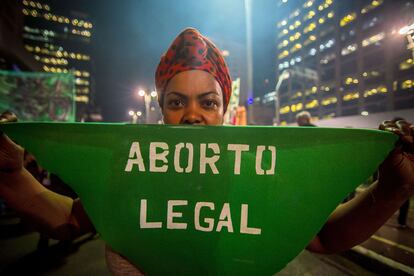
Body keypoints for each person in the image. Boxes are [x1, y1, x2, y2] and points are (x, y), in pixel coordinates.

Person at [0, 28, 414, 275]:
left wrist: (395, 185)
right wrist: (10, 174)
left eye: (208, 102)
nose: (193, 115)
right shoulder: (130, 169)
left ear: (224, 109)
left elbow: (322, 235)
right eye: (177, 102)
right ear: (161, 109)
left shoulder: (255, 172)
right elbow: (71, 221)